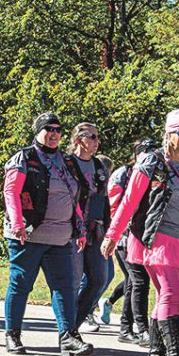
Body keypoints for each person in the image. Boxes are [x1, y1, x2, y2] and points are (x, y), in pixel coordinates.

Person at [102, 110, 179, 356]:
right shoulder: (152, 162)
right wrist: (112, 235)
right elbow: (129, 202)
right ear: (169, 132)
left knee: (167, 296)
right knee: (170, 294)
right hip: (155, 238)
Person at [1, 112, 92, 356]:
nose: (53, 134)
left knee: (64, 287)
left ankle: (68, 337)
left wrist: (80, 228)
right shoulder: (24, 158)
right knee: (20, 285)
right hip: (27, 235)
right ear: (38, 131)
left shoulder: (67, 161)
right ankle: (13, 334)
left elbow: (74, 197)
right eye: (48, 129)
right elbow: (11, 192)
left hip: (61, 236)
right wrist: (18, 223)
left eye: (57, 130)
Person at [101, 140, 155, 345]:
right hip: (125, 238)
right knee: (138, 282)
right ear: (138, 155)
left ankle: (126, 328)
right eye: (146, 152)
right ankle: (141, 329)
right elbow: (115, 207)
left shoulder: (155, 174)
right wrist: (116, 234)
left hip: (143, 236)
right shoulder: (123, 174)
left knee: (134, 282)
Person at [68, 124, 113, 335]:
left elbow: (104, 201)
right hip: (70, 231)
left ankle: (73, 325)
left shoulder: (99, 167)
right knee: (72, 281)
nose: (97, 142)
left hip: (95, 231)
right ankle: (68, 331)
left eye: (98, 137)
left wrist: (109, 230)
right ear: (78, 140)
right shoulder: (65, 163)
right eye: (92, 137)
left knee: (99, 279)